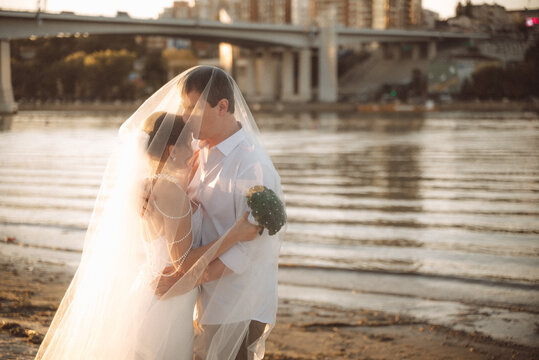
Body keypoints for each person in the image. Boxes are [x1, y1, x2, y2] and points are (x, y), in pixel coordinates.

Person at [35, 66, 279, 360]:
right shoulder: (197, 153)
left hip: (237, 304)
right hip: (195, 298)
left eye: (192, 109)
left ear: (222, 106)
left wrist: (189, 279)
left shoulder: (253, 165)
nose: (186, 118)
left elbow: (255, 246)